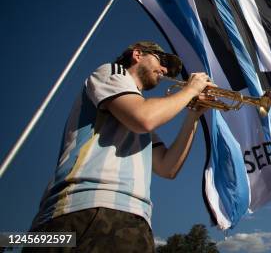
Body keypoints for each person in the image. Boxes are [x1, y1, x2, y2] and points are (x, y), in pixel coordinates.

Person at [26, 41, 214, 252]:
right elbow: (143, 117)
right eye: (162, 62)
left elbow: (168, 167)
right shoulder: (111, 72)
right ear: (137, 54)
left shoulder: (142, 124)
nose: (164, 71)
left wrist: (194, 115)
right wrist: (191, 89)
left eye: (167, 70)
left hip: (132, 216)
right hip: (83, 207)